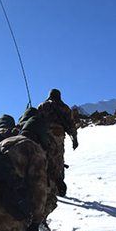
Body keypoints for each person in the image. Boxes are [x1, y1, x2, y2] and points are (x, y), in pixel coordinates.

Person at [36, 88, 78, 223]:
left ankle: (46, 182)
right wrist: (75, 139)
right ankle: (58, 184)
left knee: (45, 158)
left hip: (43, 135)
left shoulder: (42, 106)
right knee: (58, 159)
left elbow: (36, 119)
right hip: (58, 135)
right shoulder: (64, 108)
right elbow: (71, 124)